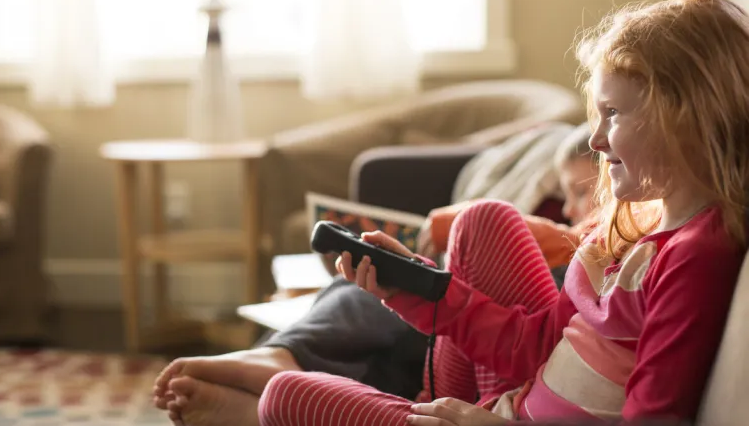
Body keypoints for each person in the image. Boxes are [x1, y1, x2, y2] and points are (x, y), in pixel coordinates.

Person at [246, 0, 749, 425]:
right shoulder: (631, 228)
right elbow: (536, 348)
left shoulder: (695, 255)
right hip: (509, 403)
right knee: (483, 219)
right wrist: (411, 286)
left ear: (685, 114)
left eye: (613, 114)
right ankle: (422, 399)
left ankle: (400, 399)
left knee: (285, 396)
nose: (595, 139)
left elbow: (652, 418)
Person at [152, 124, 598, 425]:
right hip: (470, 366)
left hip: (502, 365)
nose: (570, 208)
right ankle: (281, 365)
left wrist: (444, 237)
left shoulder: (604, 250)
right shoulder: (588, 232)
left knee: (405, 301)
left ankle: (268, 401)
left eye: (582, 192)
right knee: (366, 290)